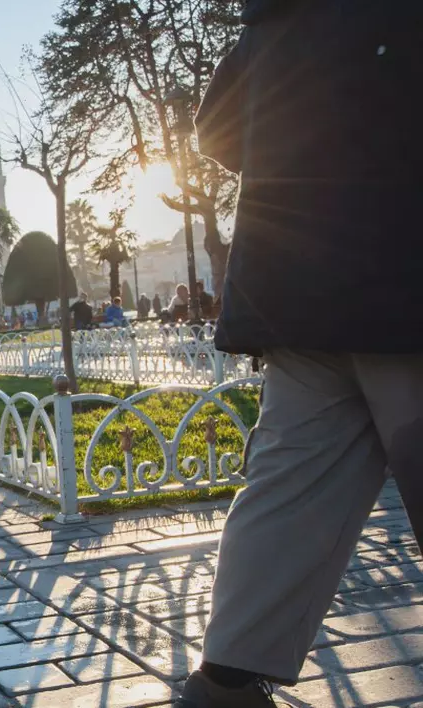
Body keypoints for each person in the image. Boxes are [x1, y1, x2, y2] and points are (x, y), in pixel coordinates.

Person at [173, 2, 423, 707]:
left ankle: (223, 684)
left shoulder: (274, 21)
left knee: (288, 492)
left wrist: (303, 154)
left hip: (299, 297)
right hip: (404, 290)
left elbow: (217, 128)